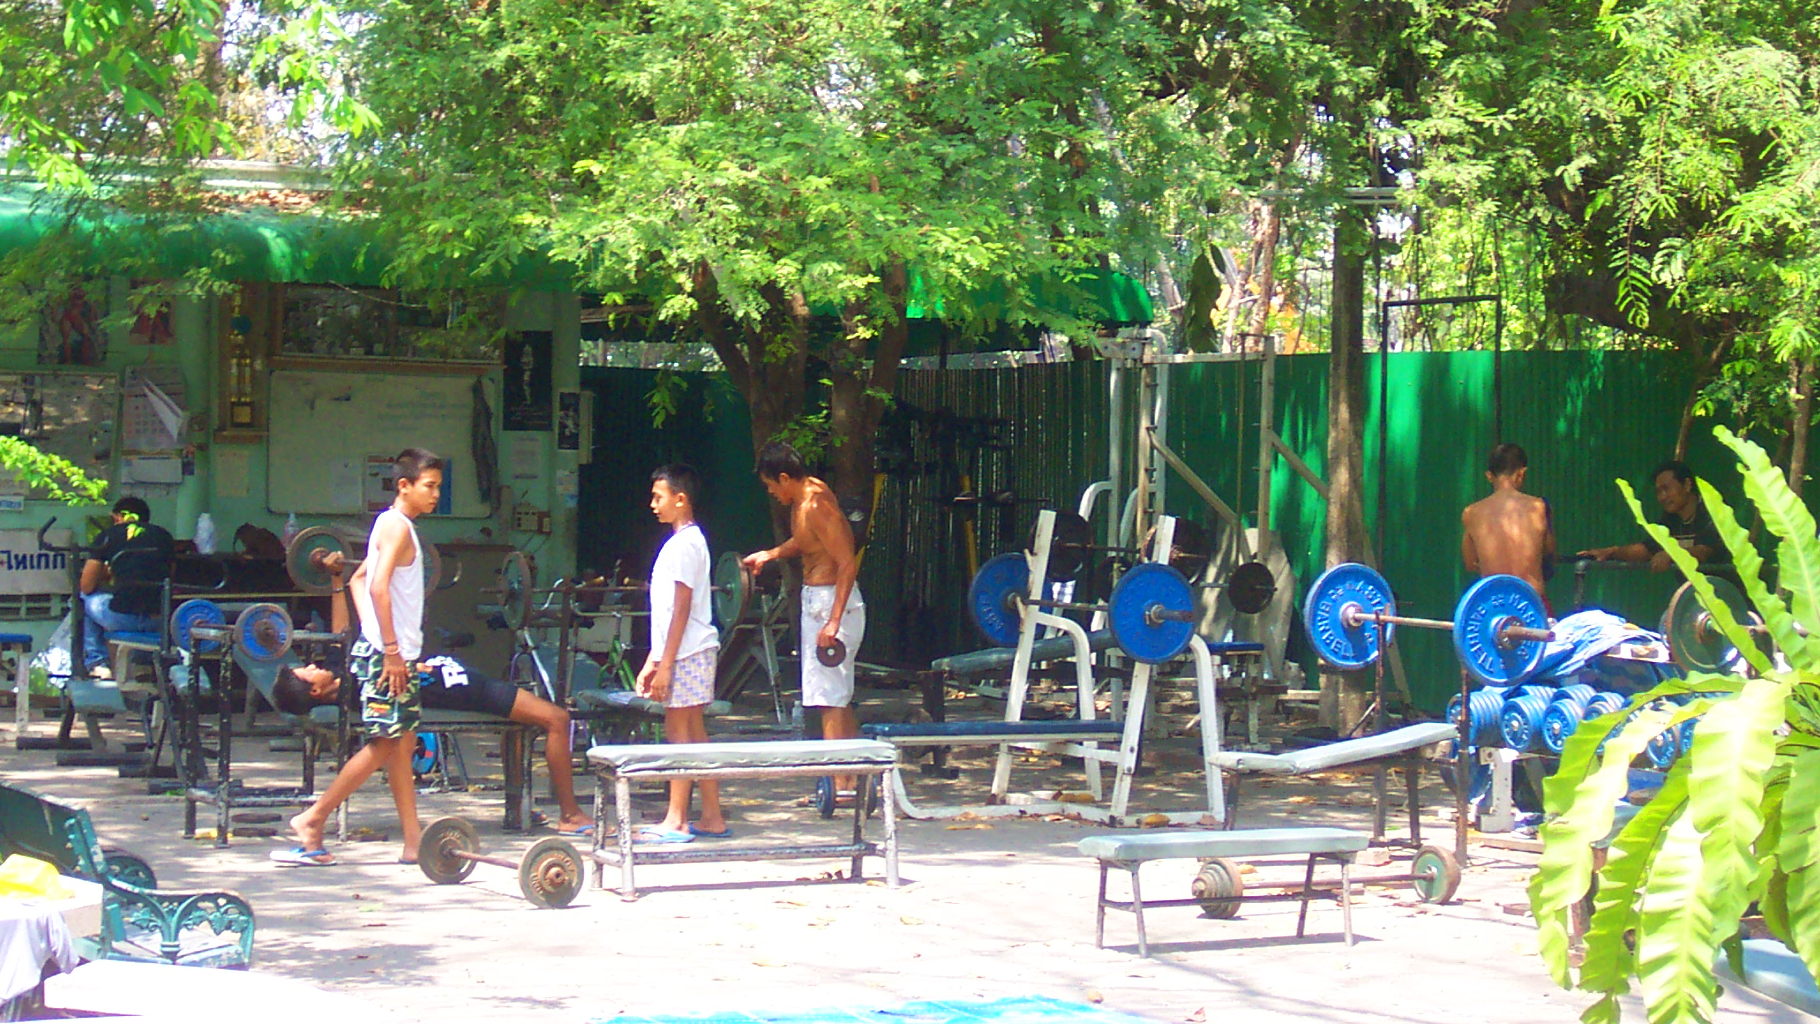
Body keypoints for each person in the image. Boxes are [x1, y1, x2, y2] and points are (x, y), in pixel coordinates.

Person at [269, 552, 594, 836]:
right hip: (469, 693)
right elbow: (366, 590)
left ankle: (520, 806)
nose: (313, 664)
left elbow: (348, 609)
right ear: (315, 689)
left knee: (535, 726)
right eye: (308, 670)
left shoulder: (342, 669)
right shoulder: (357, 691)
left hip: (464, 679)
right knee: (557, 719)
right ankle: (569, 814)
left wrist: (339, 575)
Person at [273, 448, 441, 867]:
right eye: (430, 486)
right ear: (404, 486)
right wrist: (390, 650)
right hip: (390, 657)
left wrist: (373, 635)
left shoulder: (391, 525)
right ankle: (313, 820)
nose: (436, 494)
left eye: (438, 487)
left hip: (385, 649)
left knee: (400, 746)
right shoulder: (398, 527)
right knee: (386, 744)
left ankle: (413, 842)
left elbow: (360, 578)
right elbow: (379, 588)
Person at [741, 442, 865, 801]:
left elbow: (846, 563)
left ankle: (839, 783)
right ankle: (852, 775)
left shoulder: (817, 503)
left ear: (784, 478)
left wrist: (833, 622)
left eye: (771, 486)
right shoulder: (803, 501)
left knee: (829, 698)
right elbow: (806, 542)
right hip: (818, 602)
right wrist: (771, 553)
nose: (772, 493)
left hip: (831, 604)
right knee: (834, 697)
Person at [633, 464, 728, 842]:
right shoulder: (682, 543)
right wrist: (652, 660)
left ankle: (676, 818)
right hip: (683, 650)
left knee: (679, 733)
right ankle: (712, 815)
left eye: (660, 497)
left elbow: (682, 607)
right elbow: (668, 612)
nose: (653, 504)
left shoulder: (687, 543)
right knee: (693, 732)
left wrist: (666, 663)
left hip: (688, 652)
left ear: (681, 499)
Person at [79, 497, 174, 679]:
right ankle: (143, 665)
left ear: (121, 517)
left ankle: (97, 663)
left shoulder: (107, 536)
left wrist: (106, 574)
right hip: (159, 620)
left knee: (82, 598)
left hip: (121, 618)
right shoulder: (164, 536)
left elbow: (87, 585)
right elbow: (169, 577)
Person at [1577, 460, 1730, 572]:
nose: (1662, 497)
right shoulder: (1670, 519)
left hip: (1729, 598)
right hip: (1692, 599)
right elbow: (1647, 549)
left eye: (1667, 488)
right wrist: (1611, 552)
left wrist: (1671, 555)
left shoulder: (1711, 512)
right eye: (1658, 492)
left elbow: (1704, 552)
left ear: (1687, 485)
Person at [1461, 443, 1557, 610]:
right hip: (1532, 604)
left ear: (1489, 476)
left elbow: (1470, 563)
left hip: (1493, 606)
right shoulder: (1538, 507)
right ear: (1521, 473)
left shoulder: (1471, 513)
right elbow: (1549, 550)